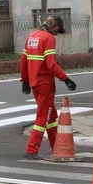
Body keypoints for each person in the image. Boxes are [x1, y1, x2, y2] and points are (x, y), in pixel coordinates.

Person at [20, 15, 77, 160]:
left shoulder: (32, 36)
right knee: (43, 117)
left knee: (51, 117)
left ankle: (55, 146)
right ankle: (31, 150)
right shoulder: (49, 39)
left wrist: (25, 81)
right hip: (45, 84)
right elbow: (51, 64)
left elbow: (23, 61)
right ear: (55, 26)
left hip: (34, 84)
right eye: (58, 30)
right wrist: (66, 79)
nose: (58, 33)